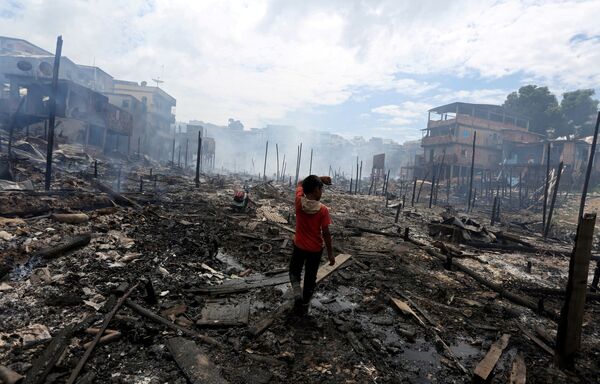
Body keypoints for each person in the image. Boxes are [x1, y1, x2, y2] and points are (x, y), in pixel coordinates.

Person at [289, 175, 334, 315]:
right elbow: (326, 233)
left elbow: (300, 183)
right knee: (310, 277)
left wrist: (319, 178)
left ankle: (297, 292)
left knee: (294, 271)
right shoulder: (323, 210)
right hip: (315, 250)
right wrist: (331, 254)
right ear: (316, 190)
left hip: (299, 246)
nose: (322, 193)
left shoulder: (298, 201)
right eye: (321, 189)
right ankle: (305, 304)